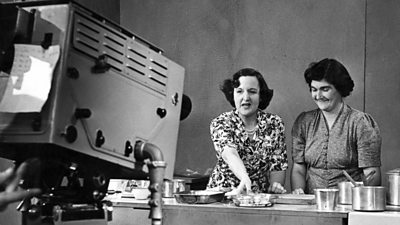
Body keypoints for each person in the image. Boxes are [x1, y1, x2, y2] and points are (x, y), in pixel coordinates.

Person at [291, 58, 382, 194]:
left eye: (325, 89)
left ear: (340, 89)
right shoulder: (304, 122)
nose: (318, 95)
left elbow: (372, 174)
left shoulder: (360, 123)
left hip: (349, 206)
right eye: (314, 89)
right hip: (312, 205)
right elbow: (298, 168)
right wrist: (299, 192)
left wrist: (360, 198)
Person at [206, 68, 288, 195]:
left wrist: (275, 188)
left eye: (252, 92)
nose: (245, 97)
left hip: (258, 198)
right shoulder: (221, 122)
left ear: (261, 96)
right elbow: (229, 153)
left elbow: (277, 165)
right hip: (223, 196)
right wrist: (244, 178)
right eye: (239, 91)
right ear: (232, 95)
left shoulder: (274, 123)